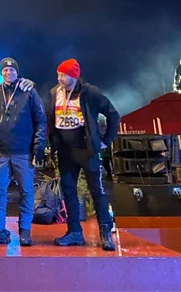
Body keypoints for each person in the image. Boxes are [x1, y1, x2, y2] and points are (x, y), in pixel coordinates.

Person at [49, 58, 120, 251]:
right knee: (69, 190)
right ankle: (74, 232)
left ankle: (105, 233)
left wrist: (106, 140)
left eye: (63, 75)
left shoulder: (90, 92)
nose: (59, 78)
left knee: (96, 190)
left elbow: (113, 114)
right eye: (58, 75)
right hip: (65, 149)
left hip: (86, 149)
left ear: (73, 75)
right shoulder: (55, 92)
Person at [0, 58, 47, 246]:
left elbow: (41, 121)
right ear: (1, 73)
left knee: (26, 192)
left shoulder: (29, 92)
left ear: (17, 72)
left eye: (11, 70)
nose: (8, 73)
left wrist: (38, 147)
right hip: (1, 153)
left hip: (23, 152)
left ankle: (25, 231)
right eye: (5, 70)